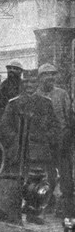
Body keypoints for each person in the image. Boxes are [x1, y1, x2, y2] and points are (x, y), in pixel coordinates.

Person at [0, 69, 61, 224]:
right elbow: (4, 126)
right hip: (20, 151)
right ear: (22, 84)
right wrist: (17, 139)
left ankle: (35, 212)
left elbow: (55, 126)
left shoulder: (46, 103)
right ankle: (14, 214)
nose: (29, 85)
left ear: (37, 83)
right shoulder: (13, 103)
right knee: (18, 182)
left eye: (32, 82)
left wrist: (46, 137)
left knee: (39, 183)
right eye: (26, 82)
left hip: (39, 151)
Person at [35, 63, 74, 217]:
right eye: (46, 75)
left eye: (52, 74)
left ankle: (67, 209)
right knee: (47, 175)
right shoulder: (36, 96)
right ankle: (47, 203)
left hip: (62, 142)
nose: (50, 77)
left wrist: (67, 137)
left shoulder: (62, 94)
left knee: (66, 176)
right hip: (44, 143)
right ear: (40, 78)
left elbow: (70, 117)